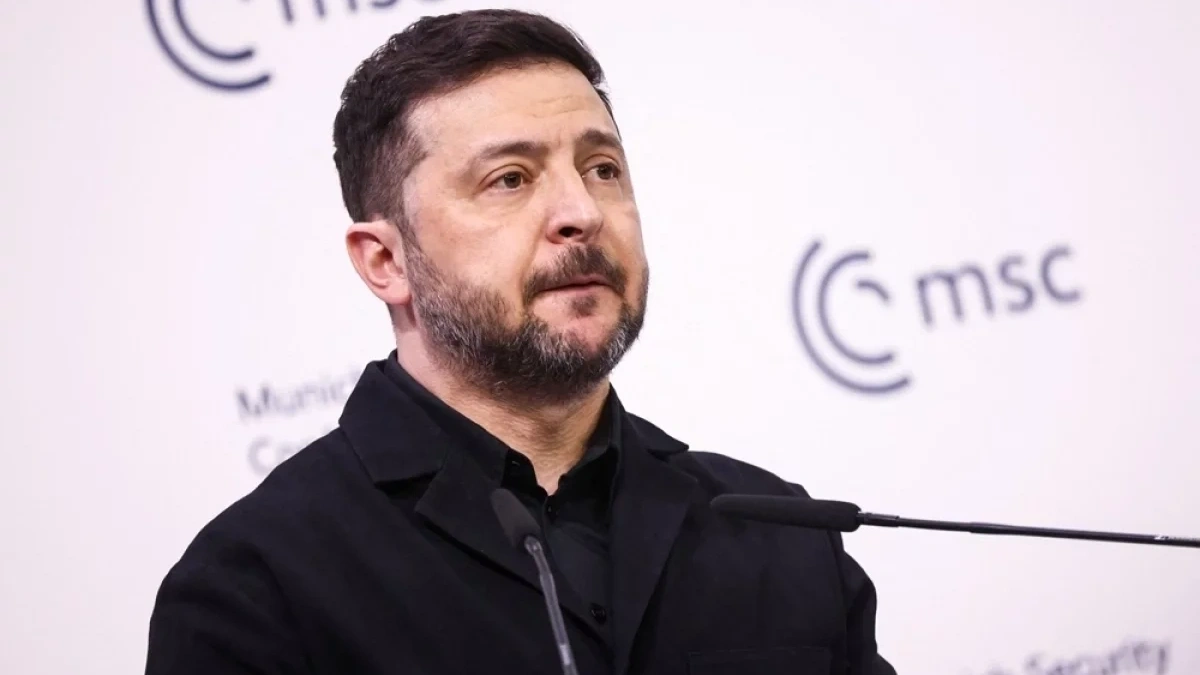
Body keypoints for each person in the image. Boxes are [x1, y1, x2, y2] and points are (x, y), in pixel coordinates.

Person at [145, 9, 895, 675]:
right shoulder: (259, 585)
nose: (581, 211)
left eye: (603, 169)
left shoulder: (778, 532)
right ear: (385, 261)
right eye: (509, 179)